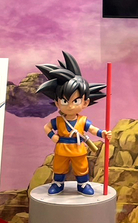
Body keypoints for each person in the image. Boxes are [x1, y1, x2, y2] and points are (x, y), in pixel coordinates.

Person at [36, 51, 110, 195]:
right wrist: (52, 136)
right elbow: (47, 127)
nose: (70, 106)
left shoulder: (82, 120)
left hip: (78, 149)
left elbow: (92, 129)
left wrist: (103, 134)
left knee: (81, 167)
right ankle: (58, 184)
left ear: (85, 102)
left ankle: (83, 185)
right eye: (65, 101)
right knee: (59, 167)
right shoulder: (58, 121)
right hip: (62, 149)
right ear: (57, 103)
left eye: (75, 101)